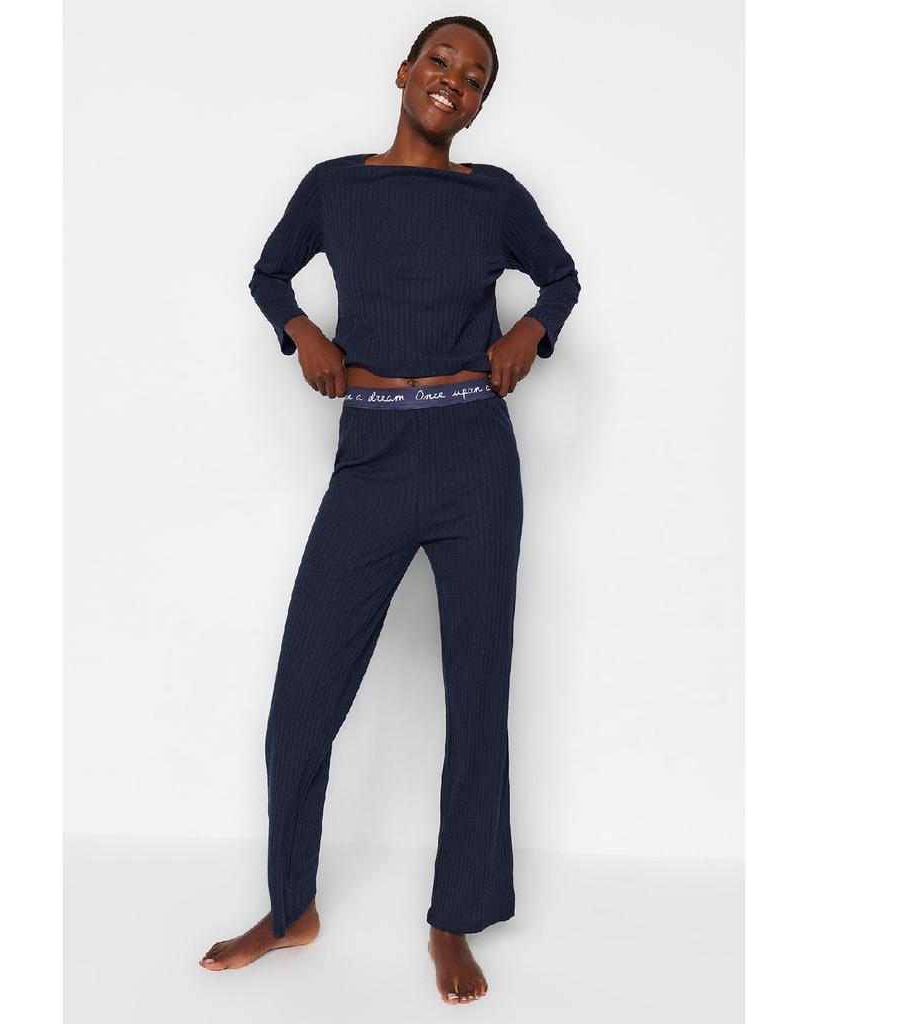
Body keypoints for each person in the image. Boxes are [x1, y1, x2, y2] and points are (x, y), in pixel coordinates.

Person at [199, 15, 581, 1005]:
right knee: (300, 705)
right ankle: (291, 909)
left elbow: (562, 276)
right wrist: (304, 335)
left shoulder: (496, 196)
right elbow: (268, 274)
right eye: (441, 60)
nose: (454, 79)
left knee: (477, 695)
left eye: (476, 75)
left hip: (473, 458)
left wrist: (532, 330)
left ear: (481, 103)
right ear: (405, 71)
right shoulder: (336, 186)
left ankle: (455, 918)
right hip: (371, 455)